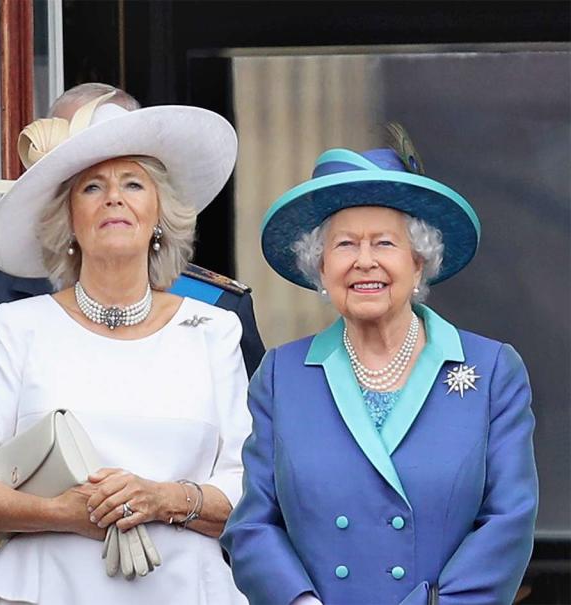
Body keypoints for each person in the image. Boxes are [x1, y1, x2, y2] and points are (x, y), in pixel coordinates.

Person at [0, 94, 251, 604]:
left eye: (133, 184)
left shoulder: (215, 328)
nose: (113, 199)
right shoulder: (19, 326)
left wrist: (163, 498)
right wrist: (63, 513)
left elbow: (248, 487)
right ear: (69, 222)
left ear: (159, 214)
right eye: (92, 187)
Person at [221, 128, 538, 605]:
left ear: (419, 261)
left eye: (384, 244)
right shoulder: (282, 375)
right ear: (321, 267)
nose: (364, 262)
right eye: (345, 245)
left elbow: (509, 520)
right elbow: (252, 524)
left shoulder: (492, 370)